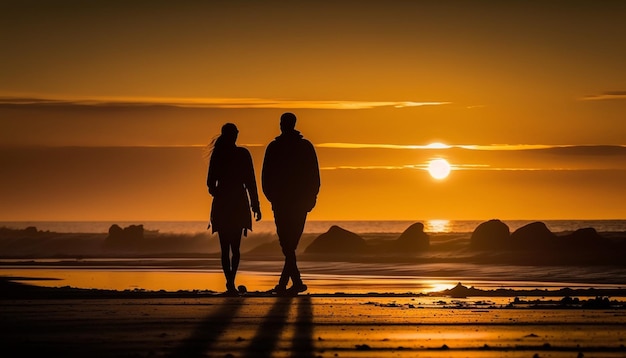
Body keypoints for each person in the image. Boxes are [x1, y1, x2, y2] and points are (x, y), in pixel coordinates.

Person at [262, 112, 320, 296]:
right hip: (286, 202)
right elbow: (266, 177)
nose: (282, 125)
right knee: (288, 243)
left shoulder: (301, 147)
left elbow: (313, 176)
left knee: (289, 243)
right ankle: (293, 283)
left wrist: (311, 198)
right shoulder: (279, 147)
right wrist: (272, 197)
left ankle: (288, 283)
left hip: (294, 202)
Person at [207, 123, 262, 295]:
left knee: (226, 248)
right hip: (237, 202)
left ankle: (229, 282)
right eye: (235, 133)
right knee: (234, 248)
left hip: (225, 203)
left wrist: (220, 193)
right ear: (233, 134)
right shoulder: (241, 154)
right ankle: (230, 281)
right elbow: (251, 182)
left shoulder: (219, 155)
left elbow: (210, 184)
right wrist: (255, 205)